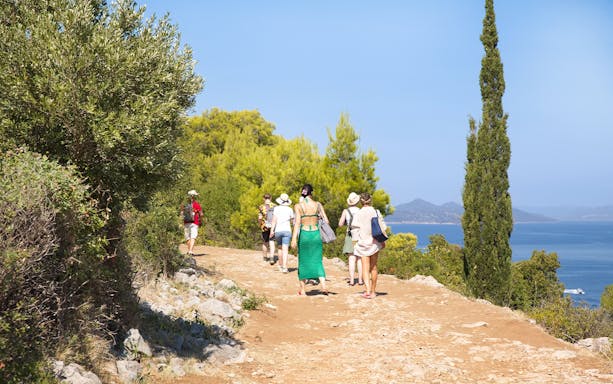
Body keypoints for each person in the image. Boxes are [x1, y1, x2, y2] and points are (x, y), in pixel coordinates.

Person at [291, 184, 329, 295]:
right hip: (316, 234)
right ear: (311, 192)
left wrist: (293, 239)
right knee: (318, 260)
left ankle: (303, 289)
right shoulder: (318, 205)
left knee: (303, 261)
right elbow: (326, 221)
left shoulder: (298, 206)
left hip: (305, 234)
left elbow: (297, 223)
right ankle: (323, 285)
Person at [353, 192, 386, 299]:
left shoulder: (358, 213)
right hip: (375, 242)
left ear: (361, 201)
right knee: (374, 268)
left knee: (365, 268)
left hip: (363, 243)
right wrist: (383, 241)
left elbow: (354, 229)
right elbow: (382, 227)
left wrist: (355, 241)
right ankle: (373, 291)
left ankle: (367, 290)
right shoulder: (376, 211)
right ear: (370, 200)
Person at [338, 192, 363, 286]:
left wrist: (347, 223)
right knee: (360, 258)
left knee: (351, 258)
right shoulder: (360, 211)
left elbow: (340, 224)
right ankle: (360, 280)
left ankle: (352, 281)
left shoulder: (346, 211)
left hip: (350, 234)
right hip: (359, 235)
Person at [270, 193, 294, 273]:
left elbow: (274, 220)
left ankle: (280, 265)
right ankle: (285, 267)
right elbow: (293, 221)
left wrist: (272, 231)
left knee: (280, 248)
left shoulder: (276, 208)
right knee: (285, 249)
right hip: (287, 230)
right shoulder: (290, 209)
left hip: (278, 230)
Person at [180, 190, 202, 256]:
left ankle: (189, 250)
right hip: (195, 222)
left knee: (187, 237)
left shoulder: (184, 205)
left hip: (186, 222)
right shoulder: (197, 204)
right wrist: (200, 218)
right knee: (193, 237)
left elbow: (181, 214)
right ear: (195, 197)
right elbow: (201, 214)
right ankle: (190, 251)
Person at [258, 193, 276, 263]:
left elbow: (259, 218)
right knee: (272, 241)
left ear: (263, 198)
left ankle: (265, 258)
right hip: (273, 226)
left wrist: (260, 224)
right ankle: (271, 258)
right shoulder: (275, 206)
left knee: (265, 242)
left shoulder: (261, 207)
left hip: (264, 226)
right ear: (271, 198)